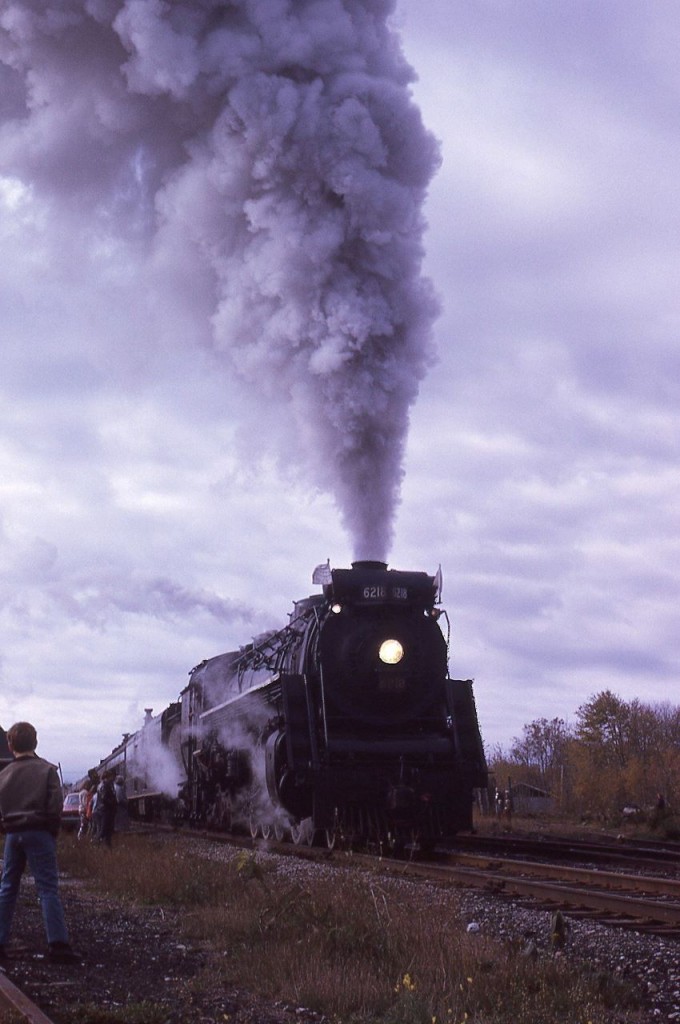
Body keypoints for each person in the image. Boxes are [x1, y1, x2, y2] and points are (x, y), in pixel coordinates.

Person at [0, 721, 80, 963]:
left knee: (7, 888)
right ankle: (58, 945)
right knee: (47, 889)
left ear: (10, 744)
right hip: (39, 832)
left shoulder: (3, 775)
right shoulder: (47, 771)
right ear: (35, 742)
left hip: (13, 834)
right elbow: (56, 806)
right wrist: (51, 831)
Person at [97, 769, 117, 847]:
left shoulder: (103, 785)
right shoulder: (105, 785)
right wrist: (112, 803)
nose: (113, 778)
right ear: (108, 777)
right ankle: (97, 842)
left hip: (105, 809)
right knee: (105, 828)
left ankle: (107, 845)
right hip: (107, 809)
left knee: (107, 828)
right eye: (111, 776)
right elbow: (104, 797)